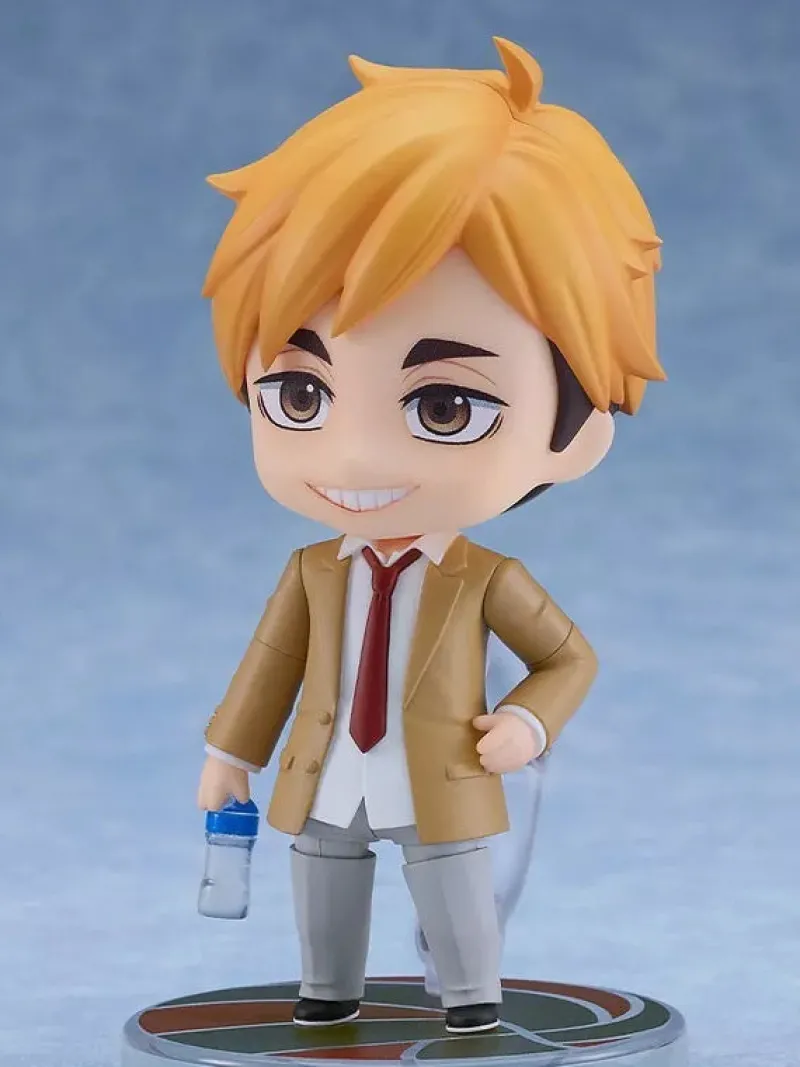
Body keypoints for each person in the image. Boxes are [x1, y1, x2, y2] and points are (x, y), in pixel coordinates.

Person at [196, 37, 665, 1035]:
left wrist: (527, 721)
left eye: (445, 407)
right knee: (323, 882)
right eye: (300, 393)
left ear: (577, 433)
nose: (355, 454)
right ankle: (327, 994)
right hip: (326, 770)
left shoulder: (485, 576)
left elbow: (567, 657)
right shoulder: (312, 570)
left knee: (453, 892)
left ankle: (471, 1005)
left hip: (442, 778)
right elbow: (269, 667)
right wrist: (229, 754)